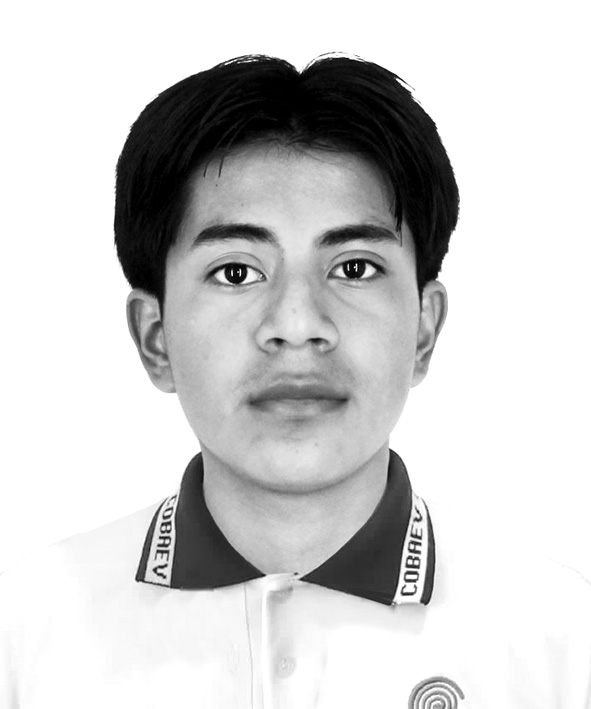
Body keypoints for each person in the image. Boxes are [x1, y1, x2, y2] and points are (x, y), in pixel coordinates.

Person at [1, 53, 589, 708]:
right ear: (155, 336)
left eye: (354, 267)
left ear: (423, 329)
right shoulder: (27, 629)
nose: (298, 325)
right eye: (236, 272)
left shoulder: (559, 638)